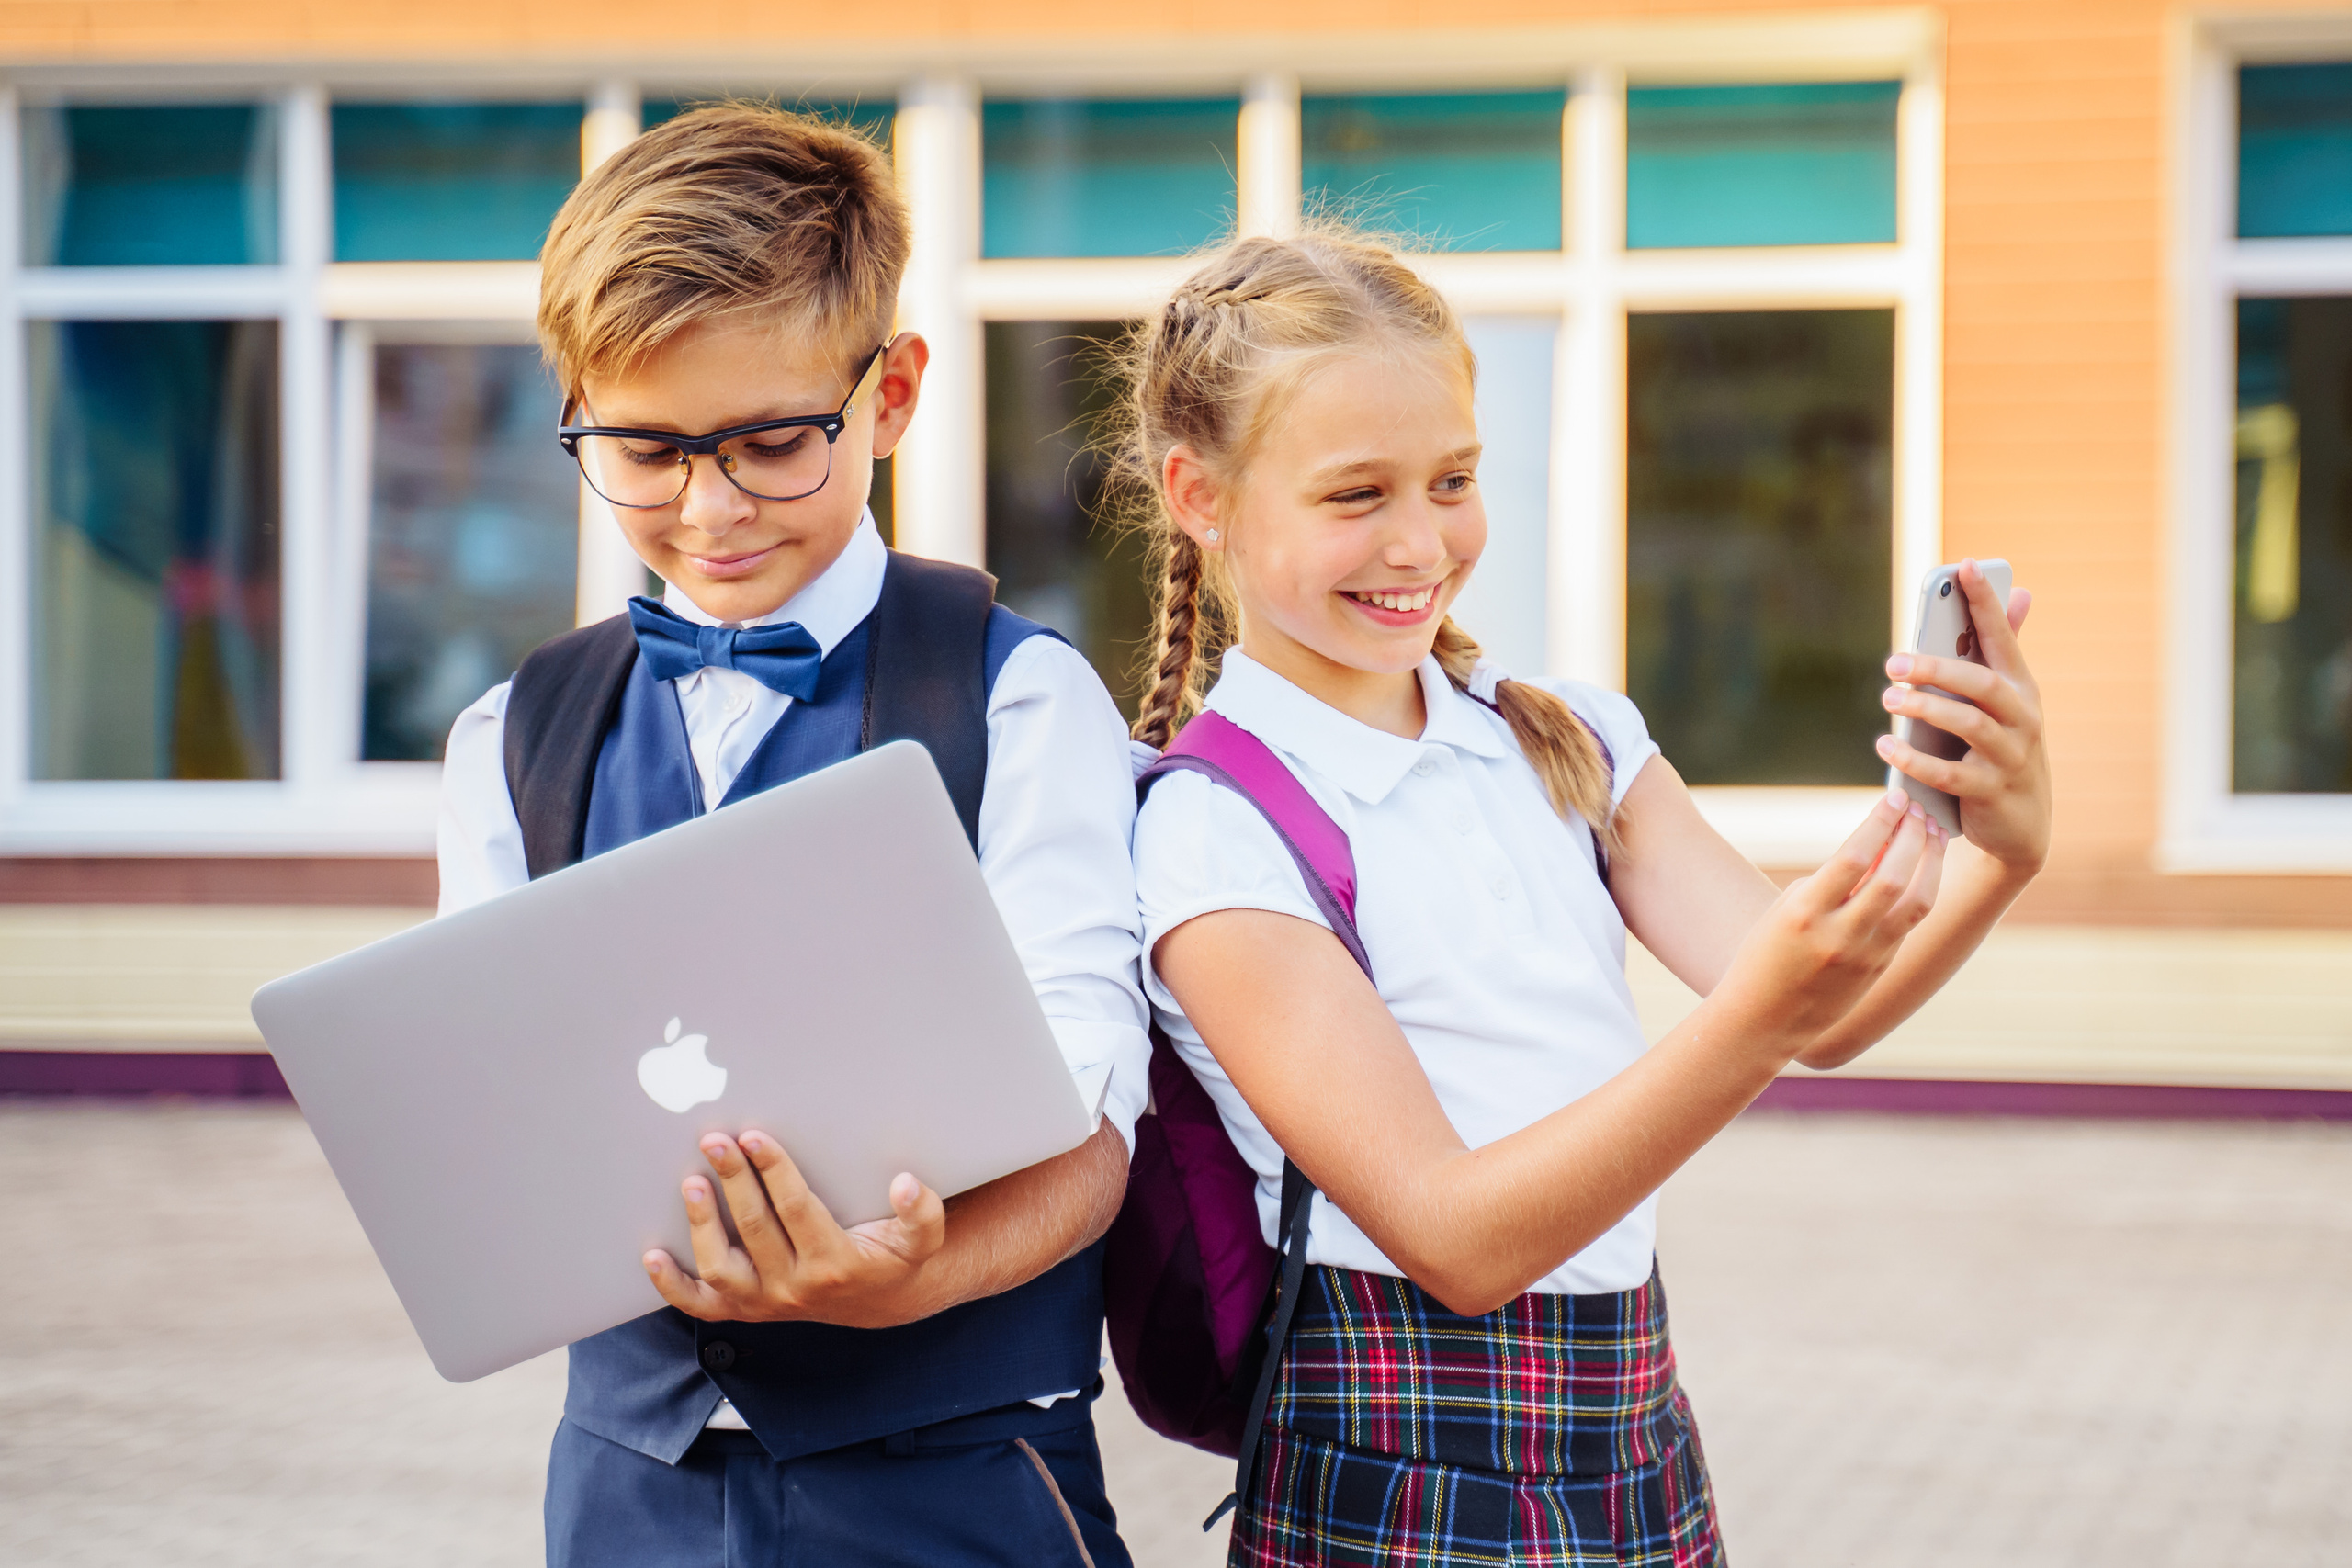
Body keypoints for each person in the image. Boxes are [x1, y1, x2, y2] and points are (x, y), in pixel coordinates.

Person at [1119, 230, 2052, 1565]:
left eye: (1452, 480)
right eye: (1353, 494)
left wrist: (2001, 851)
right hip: (1396, 1446)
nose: (1418, 540)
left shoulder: (1569, 736)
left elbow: (1825, 1011)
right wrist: (1754, 1026)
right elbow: (1456, 1239)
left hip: (1628, 1415)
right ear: (1199, 497)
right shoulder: (1212, 828)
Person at [435, 104, 1149, 1568]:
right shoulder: (510, 736)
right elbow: (491, 1116)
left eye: (772, 442)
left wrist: (914, 1277)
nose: (711, 508)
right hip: (628, 1487)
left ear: (891, 395)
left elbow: (1088, 1133)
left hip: (962, 1476)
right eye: (643, 451)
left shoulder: (1018, 702)